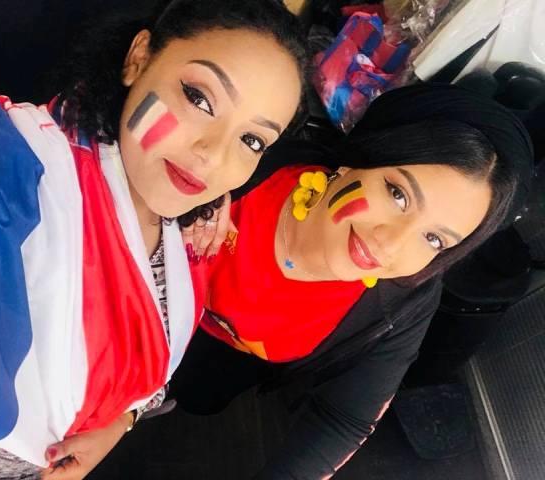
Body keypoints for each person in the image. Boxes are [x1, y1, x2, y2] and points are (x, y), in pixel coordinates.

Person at [0, 1, 309, 478]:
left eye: (251, 140)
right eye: (200, 99)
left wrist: (123, 420)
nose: (213, 156)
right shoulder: (20, 167)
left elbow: (152, 369)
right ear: (139, 58)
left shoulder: (193, 231)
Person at [170, 84, 534, 479]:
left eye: (434, 239)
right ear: (355, 162)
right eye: (398, 195)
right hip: (141, 308)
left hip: (224, 361)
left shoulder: (402, 303)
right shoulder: (255, 162)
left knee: (193, 394)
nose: (389, 244)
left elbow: (343, 419)